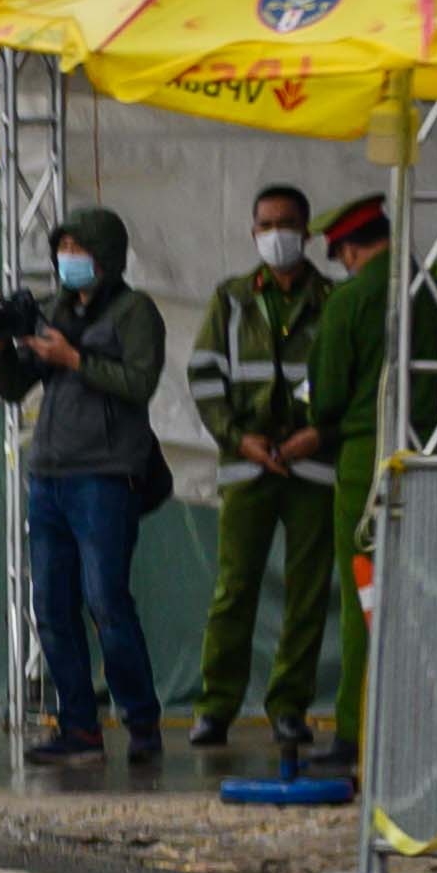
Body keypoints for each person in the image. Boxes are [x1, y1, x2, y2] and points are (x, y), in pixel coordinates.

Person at [0, 203, 169, 767]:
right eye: (62, 250)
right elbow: (15, 388)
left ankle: (141, 721)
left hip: (106, 476)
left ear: (107, 256)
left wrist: (74, 358)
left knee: (106, 601)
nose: (68, 260)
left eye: (79, 250)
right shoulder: (56, 310)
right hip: (49, 475)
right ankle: (79, 728)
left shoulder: (136, 311)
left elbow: (140, 382)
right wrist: (2, 343)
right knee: (52, 607)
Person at [184, 179, 337, 751]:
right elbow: (203, 377)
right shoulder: (231, 299)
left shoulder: (333, 301)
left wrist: (312, 437)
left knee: (306, 593)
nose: (277, 236)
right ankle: (215, 707)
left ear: (308, 232)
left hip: (311, 466)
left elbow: (349, 383)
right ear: (253, 232)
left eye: (287, 225)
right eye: (266, 226)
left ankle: (289, 707)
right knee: (234, 589)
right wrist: (236, 438)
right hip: (246, 465)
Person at [298, 192, 404, 769]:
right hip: (434, 451)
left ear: (350, 249)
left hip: (367, 457)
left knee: (365, 594)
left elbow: (327, 398)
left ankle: (355, 732)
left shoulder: (351, 300)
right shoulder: (429, 287)